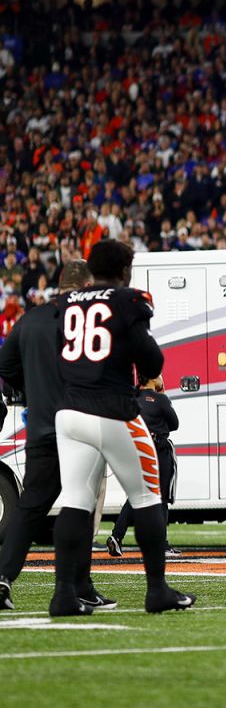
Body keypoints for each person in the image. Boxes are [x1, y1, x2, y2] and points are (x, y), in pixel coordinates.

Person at [50, 239, 194, 615]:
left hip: (69, 411)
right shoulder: (127, 300)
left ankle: (64, 594)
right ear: (125, 269)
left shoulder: (66, 303)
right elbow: (152, 361)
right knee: (147, 496)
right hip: (112, 409)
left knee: (75, 500)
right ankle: (157, 589)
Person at [0, 260, 114, 612]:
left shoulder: (29, 320)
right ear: (84, 285)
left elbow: (5, 367)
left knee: (31, 504)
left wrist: (31, 393)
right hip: (80, 423)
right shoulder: (87, 319)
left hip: (41, 426)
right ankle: (79, 585)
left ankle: (2, 578)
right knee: (80, 504)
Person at [107, 376, 181, 560]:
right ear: (153, 377)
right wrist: (163, 395)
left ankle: (117, 535)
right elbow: (175, 424)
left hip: (136, 449)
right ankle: (161, 544)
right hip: (159, 449)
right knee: (162, 496)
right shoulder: (160, 399)